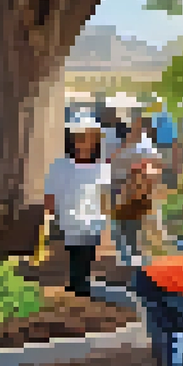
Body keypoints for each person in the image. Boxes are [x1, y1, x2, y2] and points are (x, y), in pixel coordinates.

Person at [44, 115, 111, 298]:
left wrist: (106, 218)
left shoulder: (102, 168)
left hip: (92, 218)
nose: (82, 142)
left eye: (87, 137)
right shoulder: (61, 166)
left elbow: (104, 194)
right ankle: (77, 281)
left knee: (87, 250)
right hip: (69, 216)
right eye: (78, 137)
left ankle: (81, 282)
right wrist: (48, 214)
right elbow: (51, 190)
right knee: (75, 249)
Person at [109, 116, 162, 268]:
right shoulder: (112, 137)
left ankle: (135, 257)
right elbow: (107, 161)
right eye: (137, 124)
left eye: (142, 124)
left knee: (135, 224)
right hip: (117, 185)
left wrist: (146, 173)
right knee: (119, 224)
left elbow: (156, 163)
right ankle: (125, 257)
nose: (140, 128)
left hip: (139, 188)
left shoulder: (145, 142)